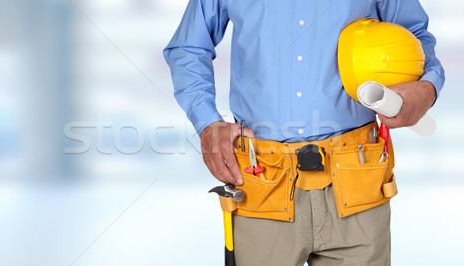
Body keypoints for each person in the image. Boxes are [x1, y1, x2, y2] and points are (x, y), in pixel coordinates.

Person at [163, 0, 444, 265]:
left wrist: (428, 88)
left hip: (357, 178)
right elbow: (188, 48)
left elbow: (414, 35)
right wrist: (208, 124)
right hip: (262, 181)